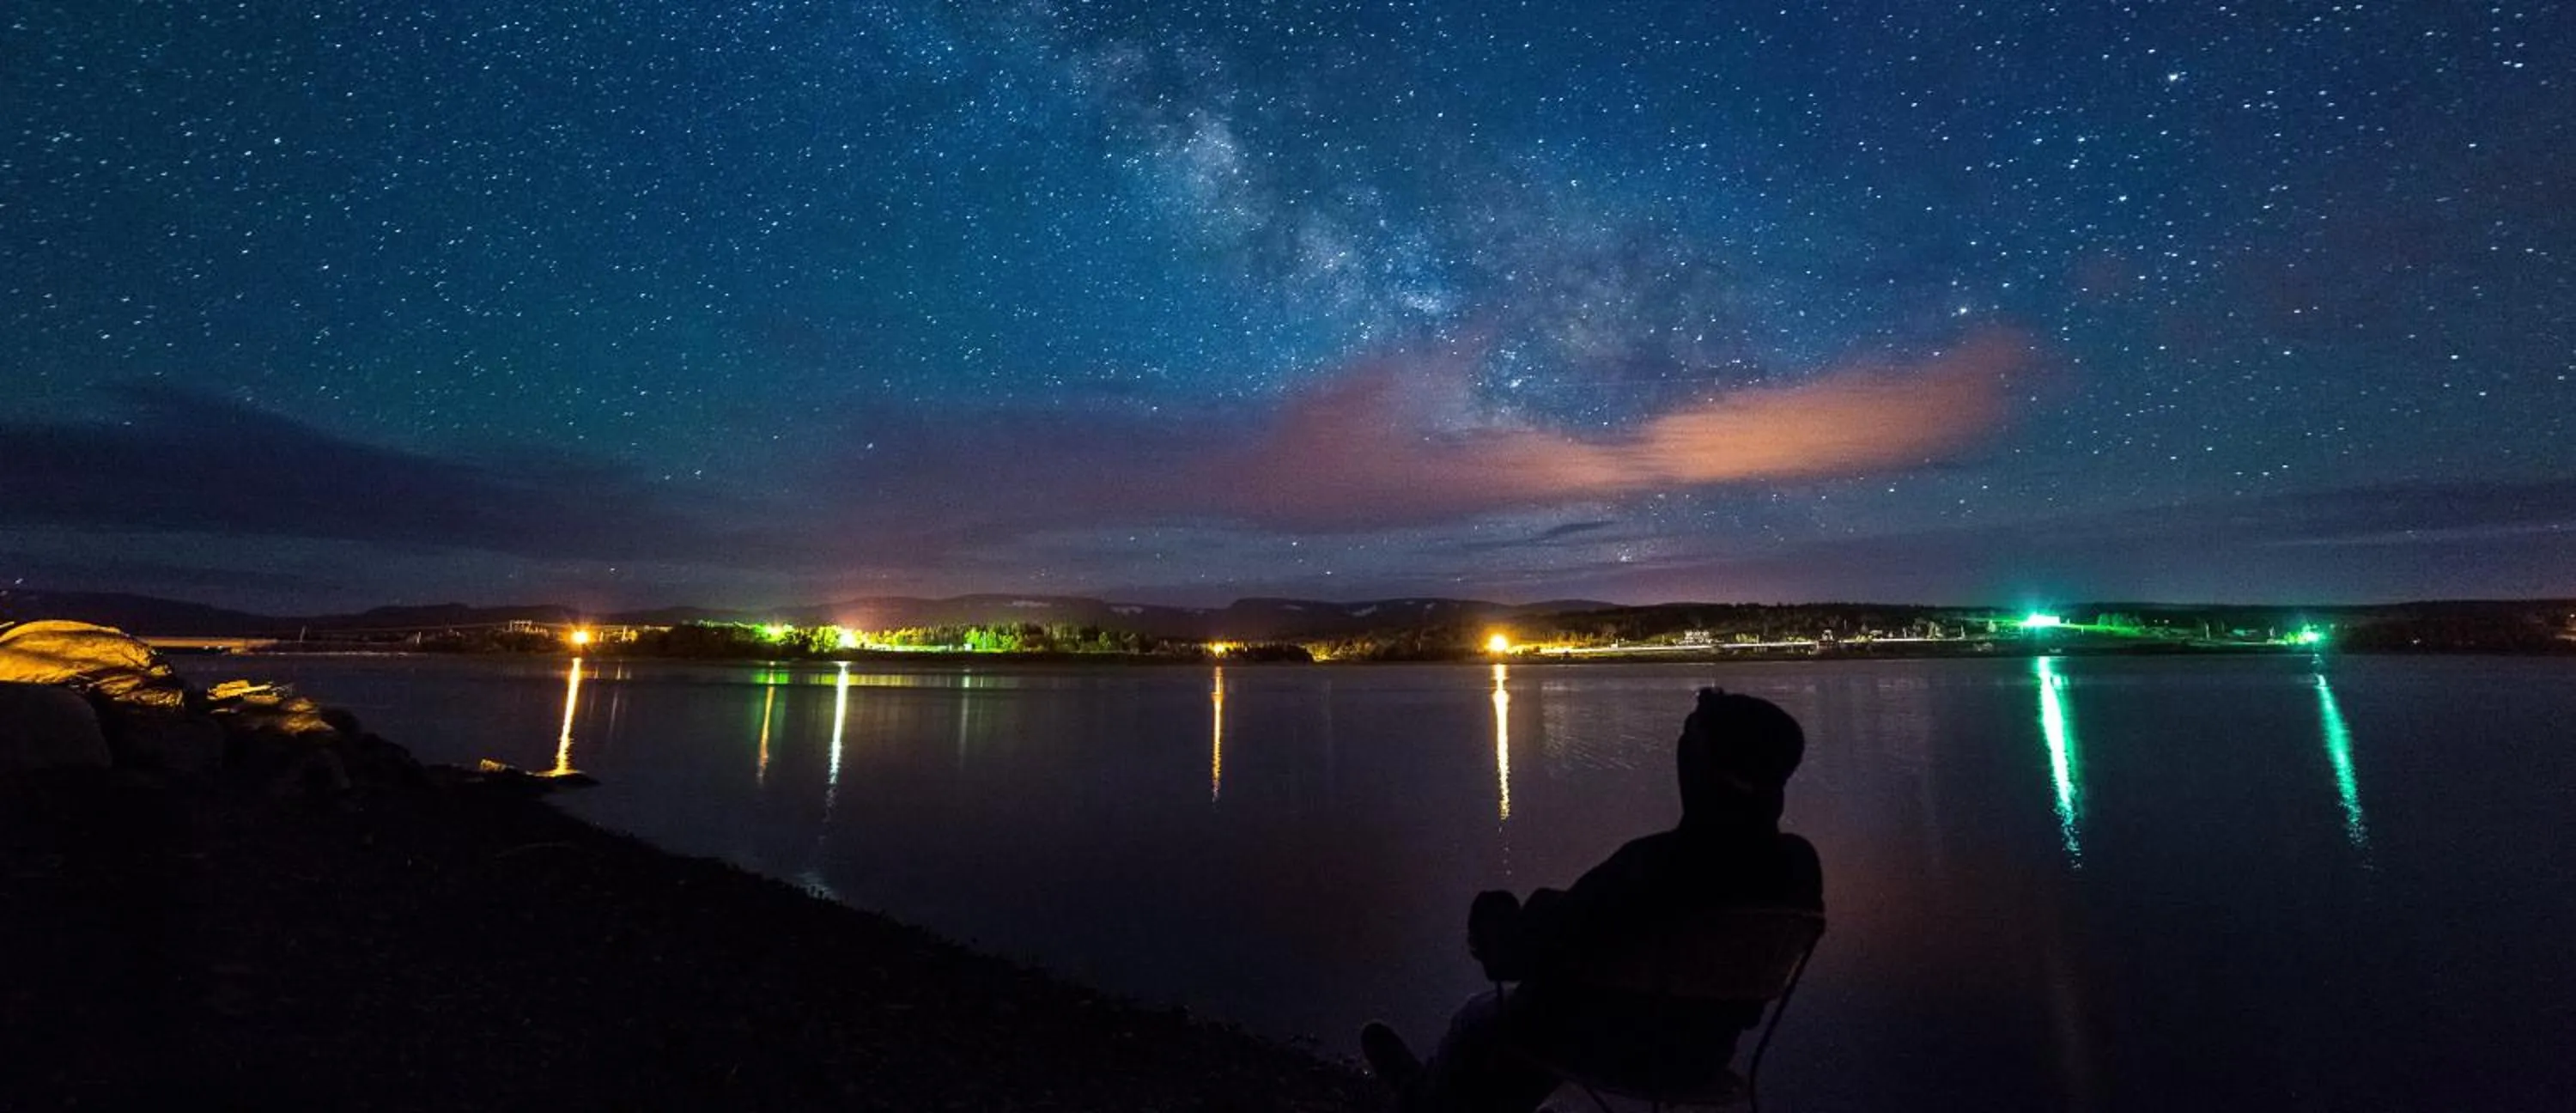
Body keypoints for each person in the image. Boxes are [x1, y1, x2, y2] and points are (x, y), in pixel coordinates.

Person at [1360, 688, 1824, 1112]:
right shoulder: (1800, 868)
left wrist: (1495, 916)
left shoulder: (1657, 865)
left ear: (1701, 769)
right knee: (1530, 1024)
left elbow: (1517, 957)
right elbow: (1597, 919)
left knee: (1483, 1022)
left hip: (1614, 1047)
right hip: (1702, 1054)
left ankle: (1422, 1099)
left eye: (1687, 744)